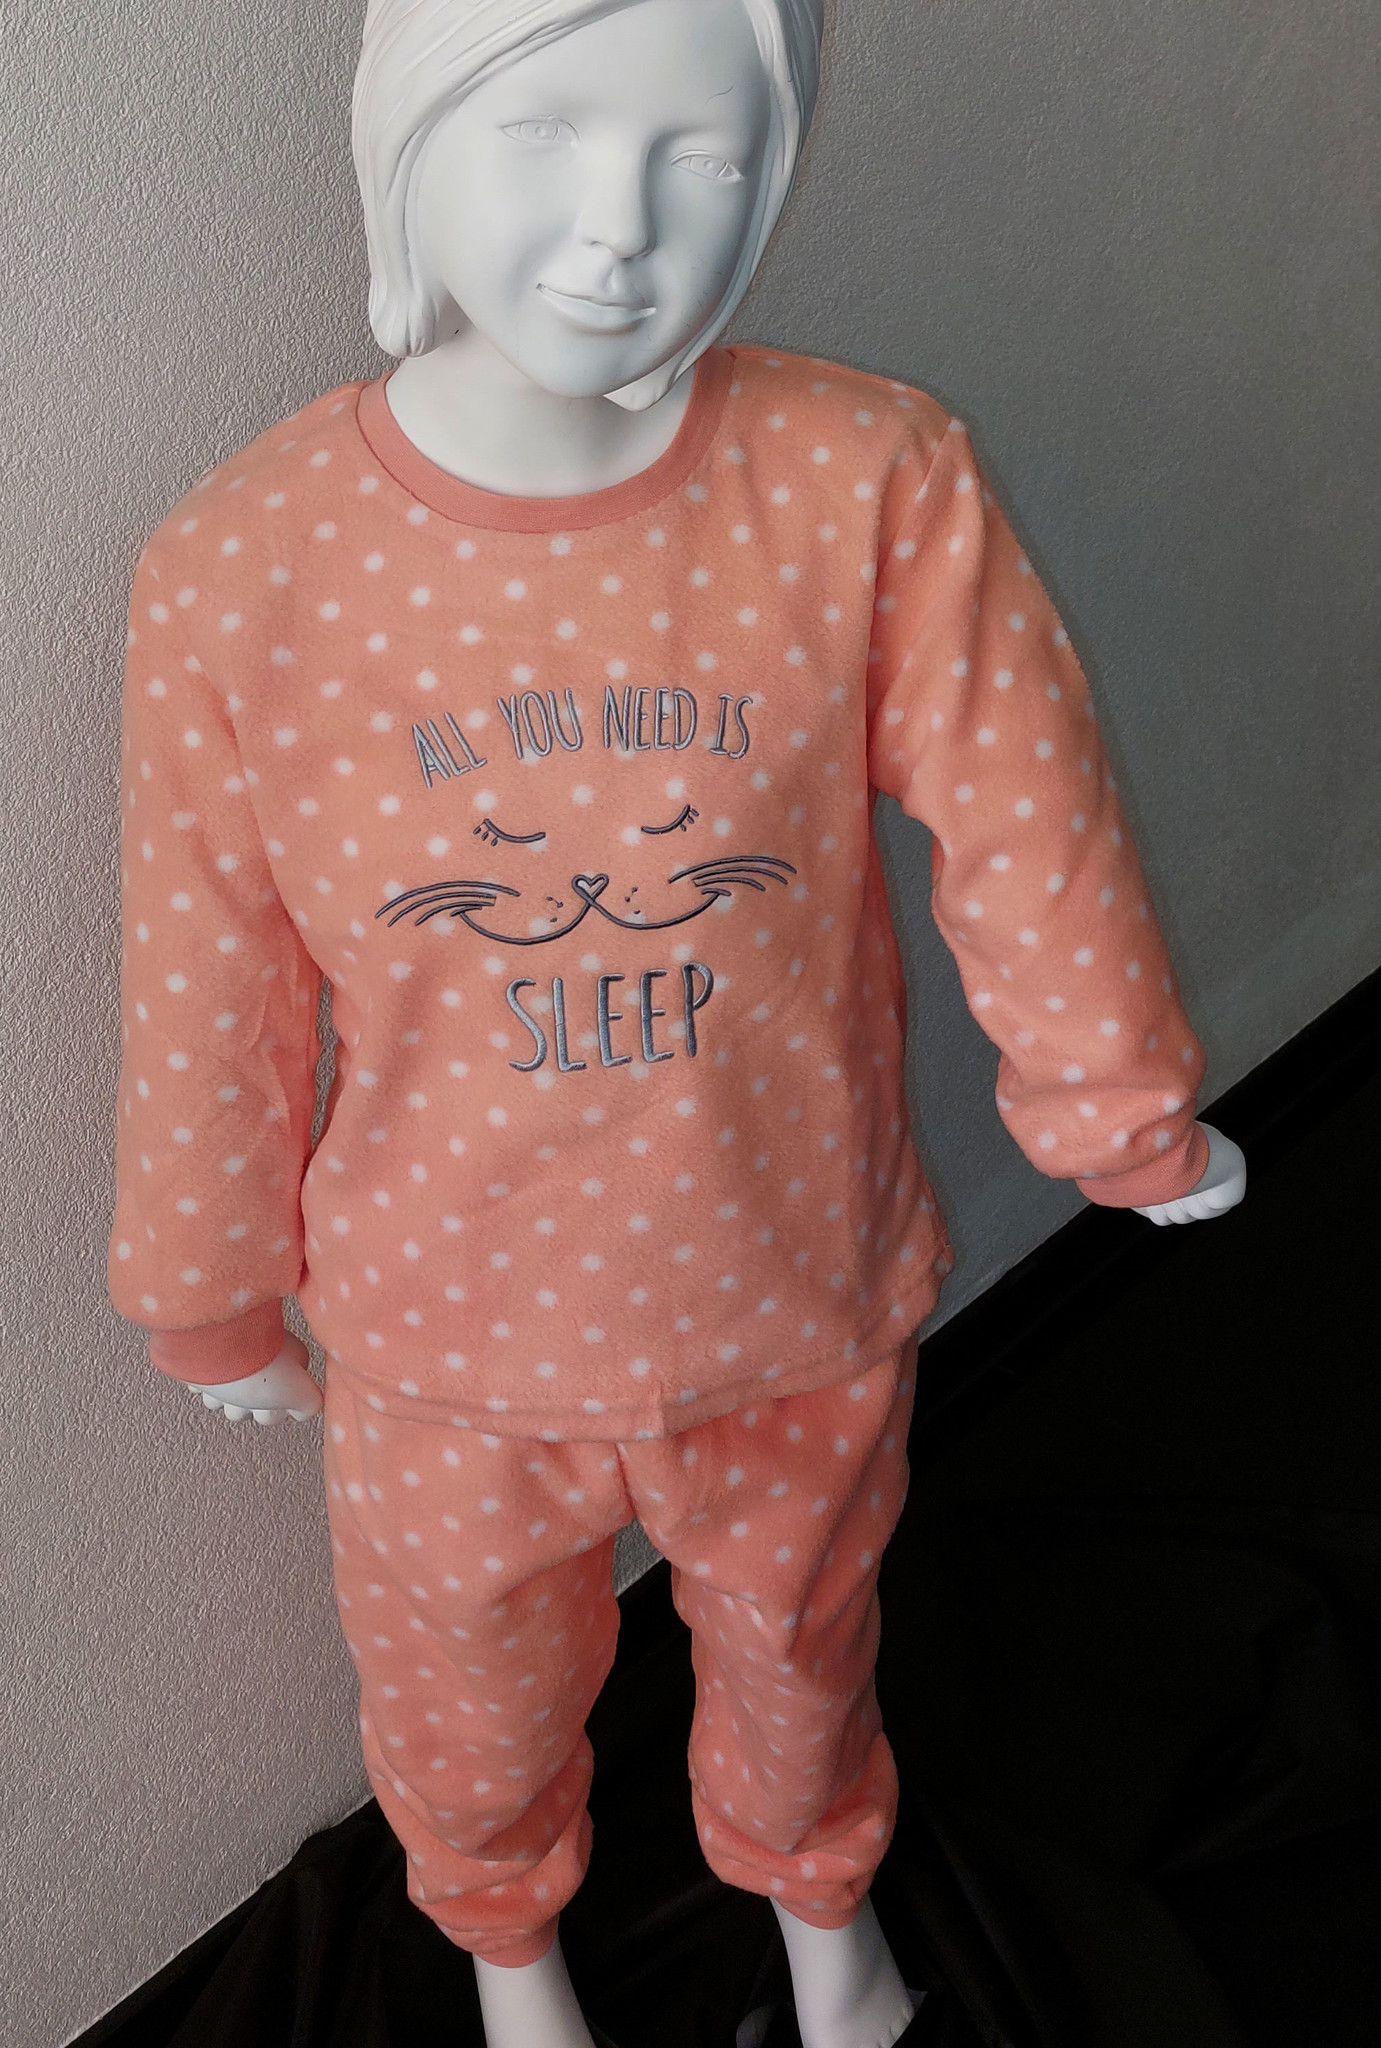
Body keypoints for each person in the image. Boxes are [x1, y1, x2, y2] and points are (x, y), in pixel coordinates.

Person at [106, 2, 1246, 2042]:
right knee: (463, 1694)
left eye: (701, 156)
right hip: (447, 1328)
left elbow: (1025, 809)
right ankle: (510, 1967)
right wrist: (206, 1284)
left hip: (790, 1272)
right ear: (408, 139)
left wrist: (1118, 1112)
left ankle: (827, 1929)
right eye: (542, 133)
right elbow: (206, 963)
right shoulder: (244, 565)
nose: (618, 223)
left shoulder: (866, 479)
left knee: (804, 1654)